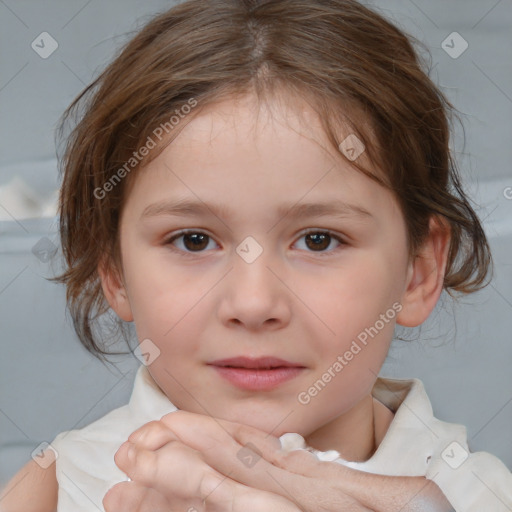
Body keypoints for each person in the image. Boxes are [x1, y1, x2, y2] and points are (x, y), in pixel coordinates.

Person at [2, 0, 511, 510]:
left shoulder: (475, 497)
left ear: (418, 273)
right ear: (113, 268)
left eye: (318, 240)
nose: (252, 303)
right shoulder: (56, 488)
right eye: (193, 240)